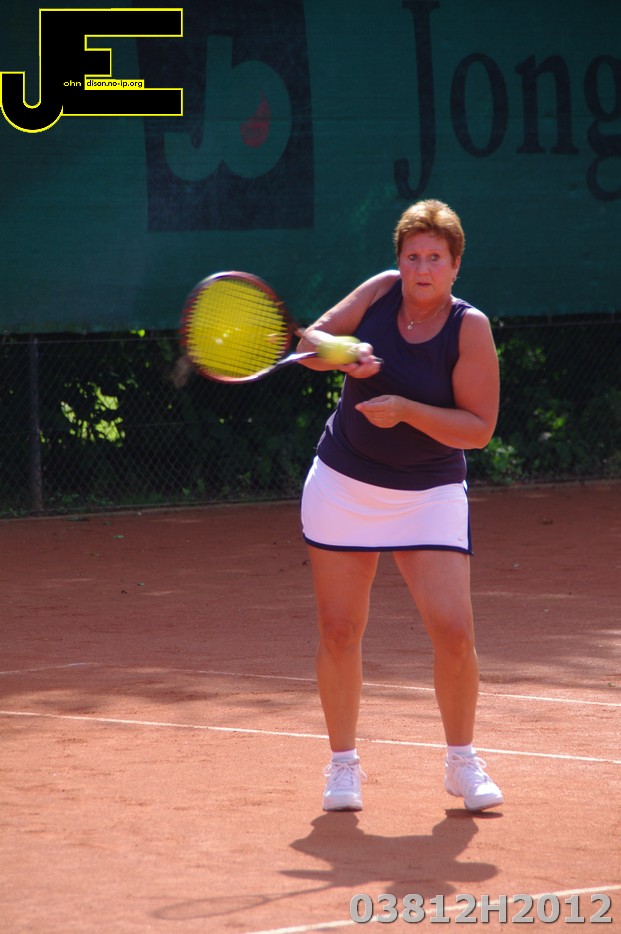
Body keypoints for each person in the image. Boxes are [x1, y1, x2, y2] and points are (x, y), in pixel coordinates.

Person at [296, 199, 503, 813]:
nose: (422, 268)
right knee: (339, 631)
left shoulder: (470, 328)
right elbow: (311, 341)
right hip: (345, 484)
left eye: (435, 257)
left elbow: (479, 429)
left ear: (455, 266)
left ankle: (462, 762)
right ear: (400, 262)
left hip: (429, 492)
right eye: (413, 256)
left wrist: (408, 410)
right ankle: (342, 767)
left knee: (454, 630)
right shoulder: (381, 292)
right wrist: (344, 353)